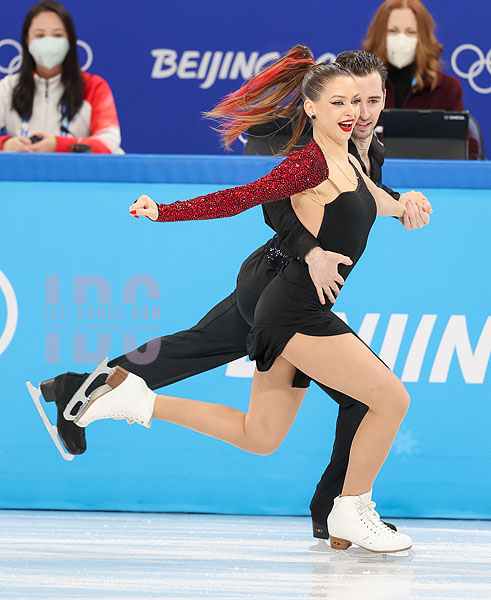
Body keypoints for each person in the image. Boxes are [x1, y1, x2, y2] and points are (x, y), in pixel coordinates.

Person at [34, 50, 430, 544]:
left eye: (371, 100)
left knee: (253, 422)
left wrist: (403, 203)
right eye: (349, 99)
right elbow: (264, 204)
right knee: (375, 397)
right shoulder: (313, 154)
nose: (362, 111)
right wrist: (308, 252)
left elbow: (371, 195)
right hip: (277, 282)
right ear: (316, 107)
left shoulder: (359, 150)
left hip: (289, 292)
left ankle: (91, 389)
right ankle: (344, 512)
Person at [0, 1, 122, 154]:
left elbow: (109, 143)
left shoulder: (93, 87)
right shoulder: (8, 87)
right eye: (40, 35)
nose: (48, 43)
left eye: (57, 35)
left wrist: (59, 145)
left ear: (69, 40)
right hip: (22, 174)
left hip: (77, 175)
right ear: (27, 40)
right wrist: (5, 144)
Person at [363, 0, 478, 157]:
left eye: (410, 32)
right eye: (393, 31)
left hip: (428, 178)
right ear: (380, 35)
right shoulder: (358, 84)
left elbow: (468, 150)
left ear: (422, 37)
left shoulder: (446, 87)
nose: (401, 40)